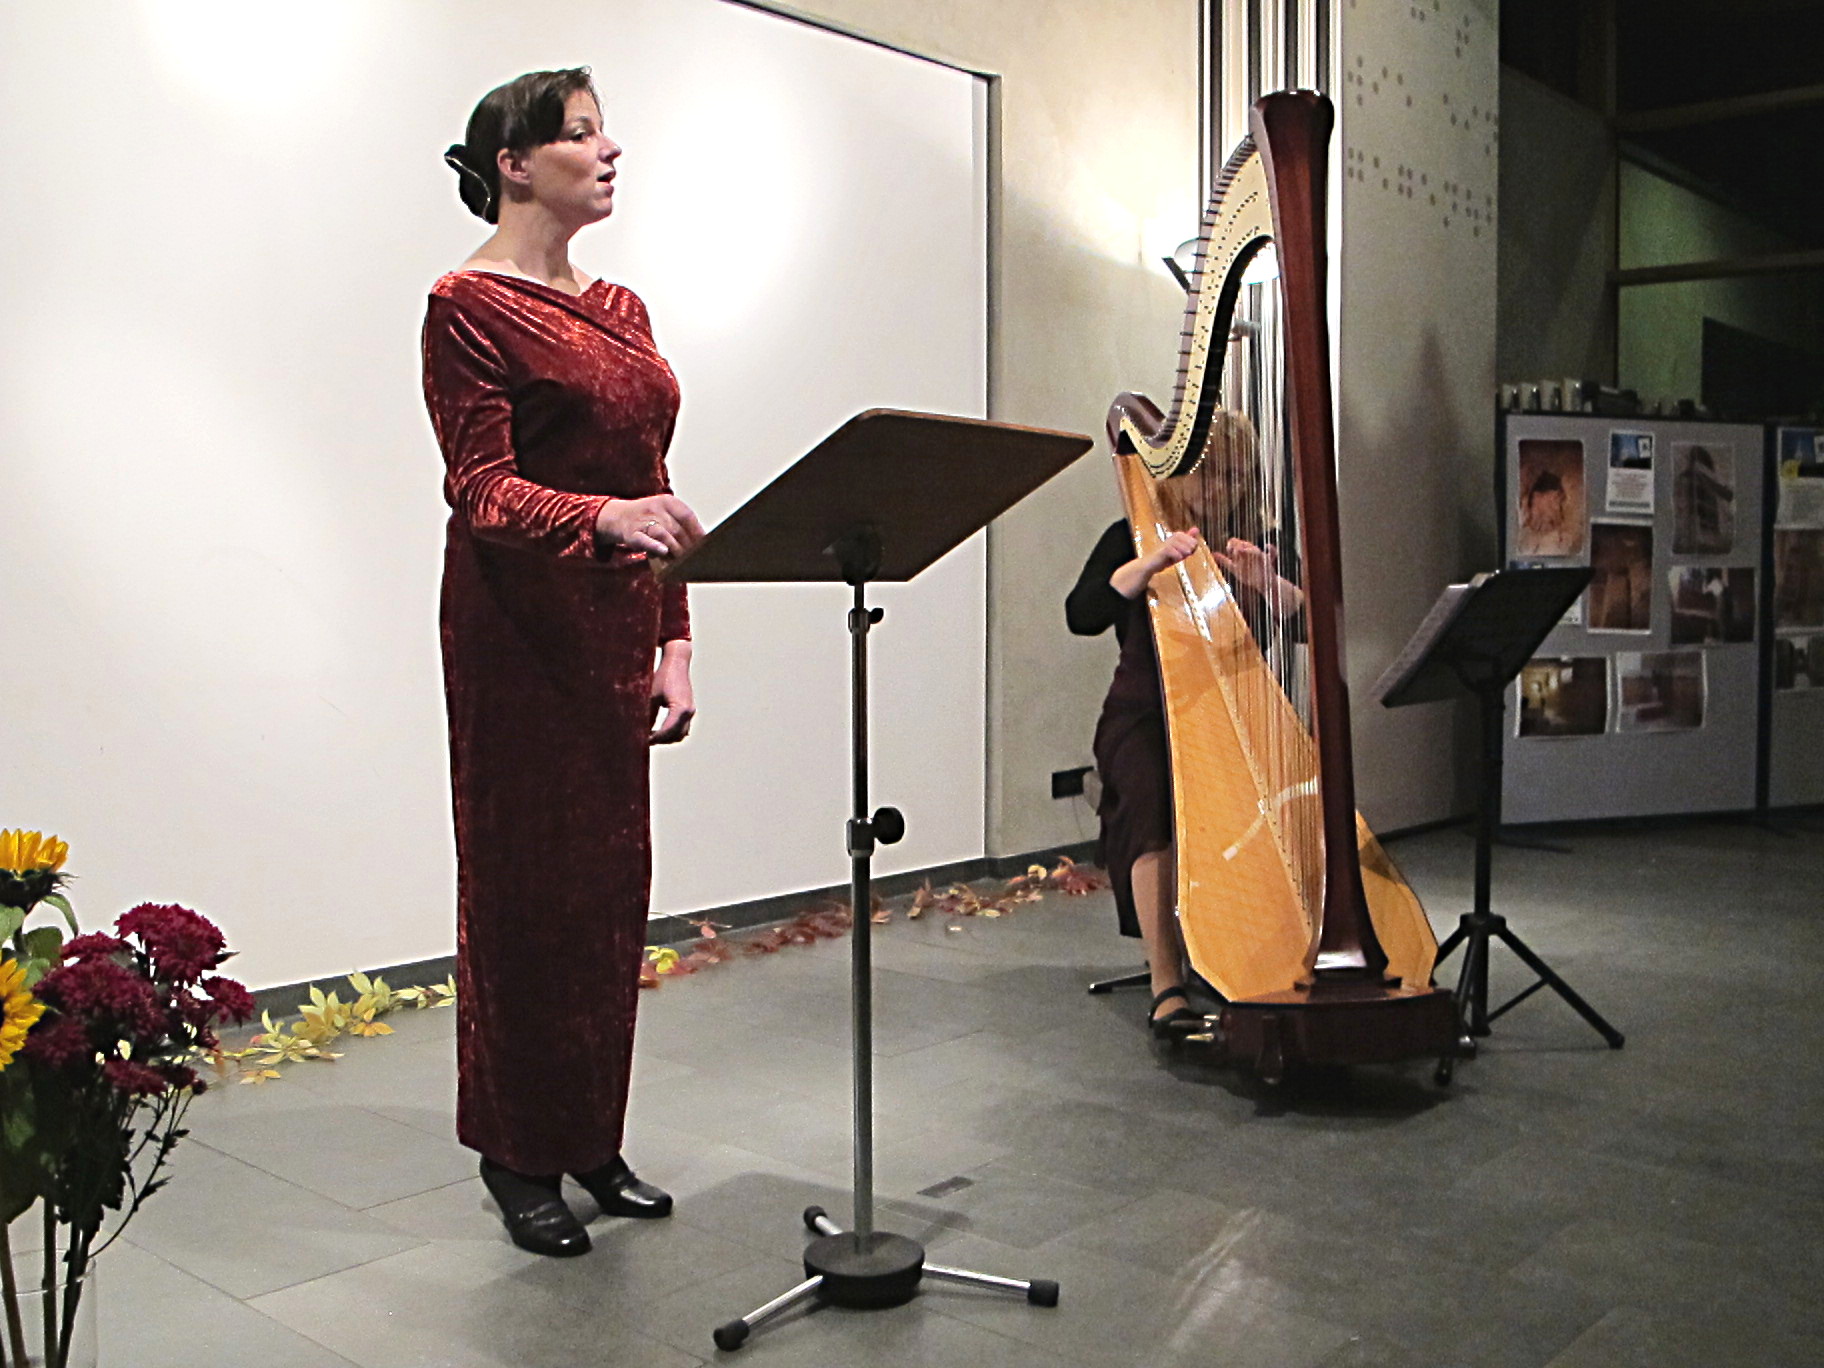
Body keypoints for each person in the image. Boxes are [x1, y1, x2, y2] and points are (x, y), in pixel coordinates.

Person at [422, 67, 706, 1258]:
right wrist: (601, 525)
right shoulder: (466, 305)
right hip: (517, 635)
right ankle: (516, 1152)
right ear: (515, 165)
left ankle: (591, 1134)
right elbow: (480, 487)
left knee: (607, 899)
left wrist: (676, 636)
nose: (609, 149)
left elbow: (656, 486)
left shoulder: (625, 310)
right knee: (526, 895)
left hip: (611, 627)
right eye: (581, 133)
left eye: (604, 129)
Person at [1066, 411, 1302, 1038]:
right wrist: (1146, 567)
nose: (1222, 489)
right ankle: (1167, 983)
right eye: (1211, 475)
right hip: (1142, 712)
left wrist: (1268, 584)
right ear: (1178, 475)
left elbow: (1309, 622)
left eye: (1235, 476)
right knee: (1149, 803)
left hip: (1238, 712)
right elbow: (1081, 612)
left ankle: (1255, 949)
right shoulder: (1132, 533)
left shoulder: (1260, 537)